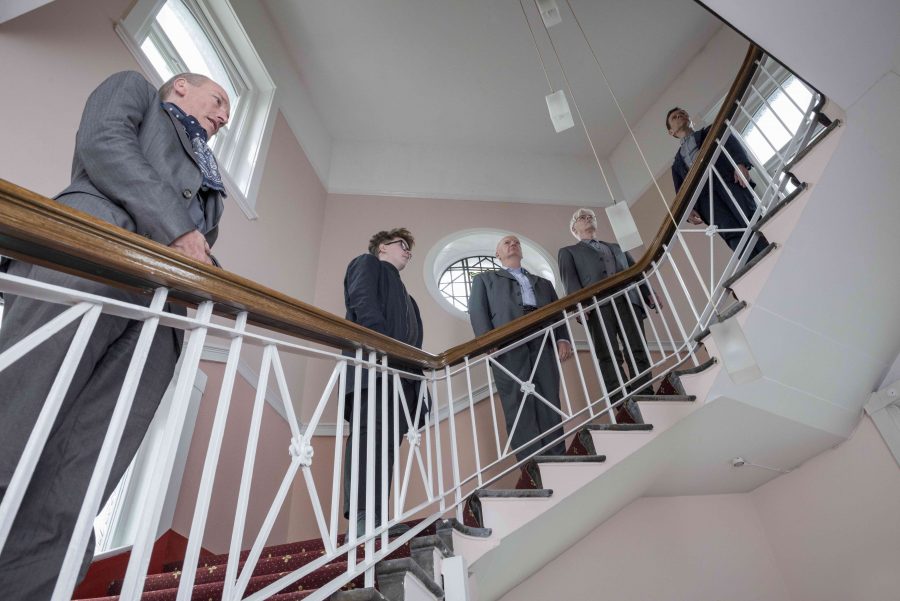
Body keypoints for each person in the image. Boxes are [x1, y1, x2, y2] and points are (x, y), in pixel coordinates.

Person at [0, 71, 230, 599]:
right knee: (17, 412)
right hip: (90, 255)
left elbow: (195, 247)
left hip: (156, 312)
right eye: (218, 102)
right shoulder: (136, 90)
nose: (221, 118)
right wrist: (179, 229)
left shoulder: (211, 183)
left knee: (87, 466)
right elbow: (103, 143)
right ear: (180, 89)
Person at [342, 227, 424, 537]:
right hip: (373, 371)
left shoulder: (410, 300)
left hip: (401, 384)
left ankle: (379, 516)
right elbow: (362, 300)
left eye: (409, 249)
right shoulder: (368, 263)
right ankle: (364, 518)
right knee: (367, 439)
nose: (408, 251)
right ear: (382, 249)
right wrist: (379, 345)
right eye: (402, 245)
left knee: (387, 448)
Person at [468, 235, 572, 464]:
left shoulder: (543, 283)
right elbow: (477, 310)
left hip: (542, 336)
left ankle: (557, 455)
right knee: (517, 400)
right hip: (507, 342)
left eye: (516, 242)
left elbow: (557, 311)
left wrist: (563, 338)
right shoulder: (484, 279)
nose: (513, 244)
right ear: (498, 254)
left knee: (549, 396)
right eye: (506, 243)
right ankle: (531, 462)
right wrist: (488, 340)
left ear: (522, 252)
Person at [557, 208, 661, 423]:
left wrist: (649, 293)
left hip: (627, 300)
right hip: (597, 306)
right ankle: (622, 403)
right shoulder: (568, 252)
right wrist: (579, 304)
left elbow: (636, 270)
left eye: (591, 217)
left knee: (637, 347)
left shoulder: (616, 247)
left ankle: (645, 392)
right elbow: (570, 281)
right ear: (573, 228)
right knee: (608, 354)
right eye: (582, 218)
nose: (587, 220)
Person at [666, 107, 769, 259]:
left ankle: (769, 249)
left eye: (682, 113)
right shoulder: (676, 165)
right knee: (730, 231)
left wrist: (740, 163)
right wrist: (689, 210)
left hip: (729, 181)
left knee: (749, 215)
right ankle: (754, 262)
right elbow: (681, 190)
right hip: (708, 201)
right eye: (674, 117)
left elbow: (730, 142)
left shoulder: (710, 131)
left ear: (689, 118)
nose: (680, 115)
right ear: (671, 132)